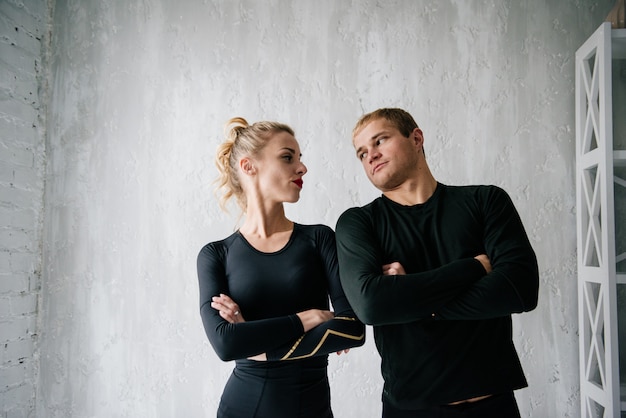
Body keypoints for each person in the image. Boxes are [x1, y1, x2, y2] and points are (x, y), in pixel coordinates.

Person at [335, 108, 539, 418]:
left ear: (416, 138)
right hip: (411, 409)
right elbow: (372, 306)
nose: (371, 156)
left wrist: (408, 299)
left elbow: (520, 290)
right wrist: (473, 269)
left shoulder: (485, 201)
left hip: (493, 404)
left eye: (380, 141)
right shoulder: (359, 223)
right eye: (362, 153)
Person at [197, 117, 365, 418]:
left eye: (300, 159)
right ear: (249, 166)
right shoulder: (216, 254)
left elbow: (351, 329)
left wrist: (253, 341)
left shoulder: (319, 239)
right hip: (243, 407)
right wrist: (306, 319)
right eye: (288, 157)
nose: (302, 168)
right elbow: (225, 344)